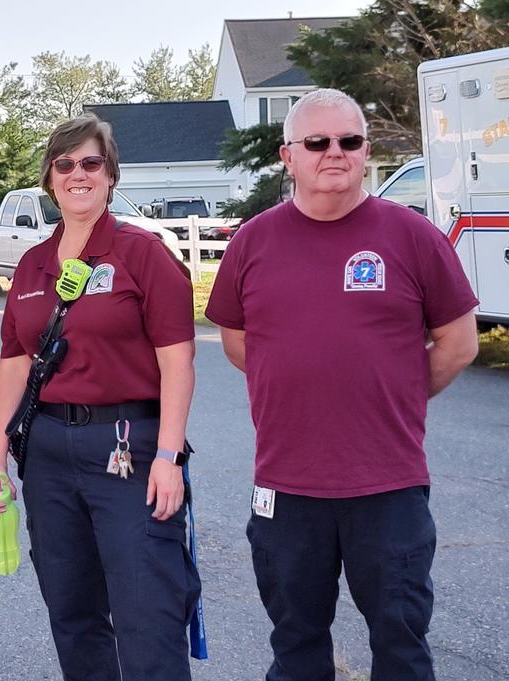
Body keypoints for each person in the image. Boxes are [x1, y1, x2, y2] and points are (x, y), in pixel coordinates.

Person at [205, 88, 479, 681]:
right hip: (287, 488)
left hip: (388, 487)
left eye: (349, 140)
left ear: (365, 150)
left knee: (402, 648)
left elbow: (459, 345)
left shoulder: (412, 236)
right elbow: (235, 340)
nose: (335, 152)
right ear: (289, 155)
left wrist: (393, 396)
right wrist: (300, 385)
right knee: (297, 647)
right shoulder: (252, 242)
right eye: (318, 142)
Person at [0, 113, 202, 681]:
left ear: (110, 175)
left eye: (90, 163)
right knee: (72, 609)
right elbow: (14, 363)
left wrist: (170, 457)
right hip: (49, 453)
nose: (77, 174)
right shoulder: (31, 264)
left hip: (129, 448)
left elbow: (178, 361)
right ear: (50, 179)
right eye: (65, 164)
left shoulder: (143, 253)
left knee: (147, 612)